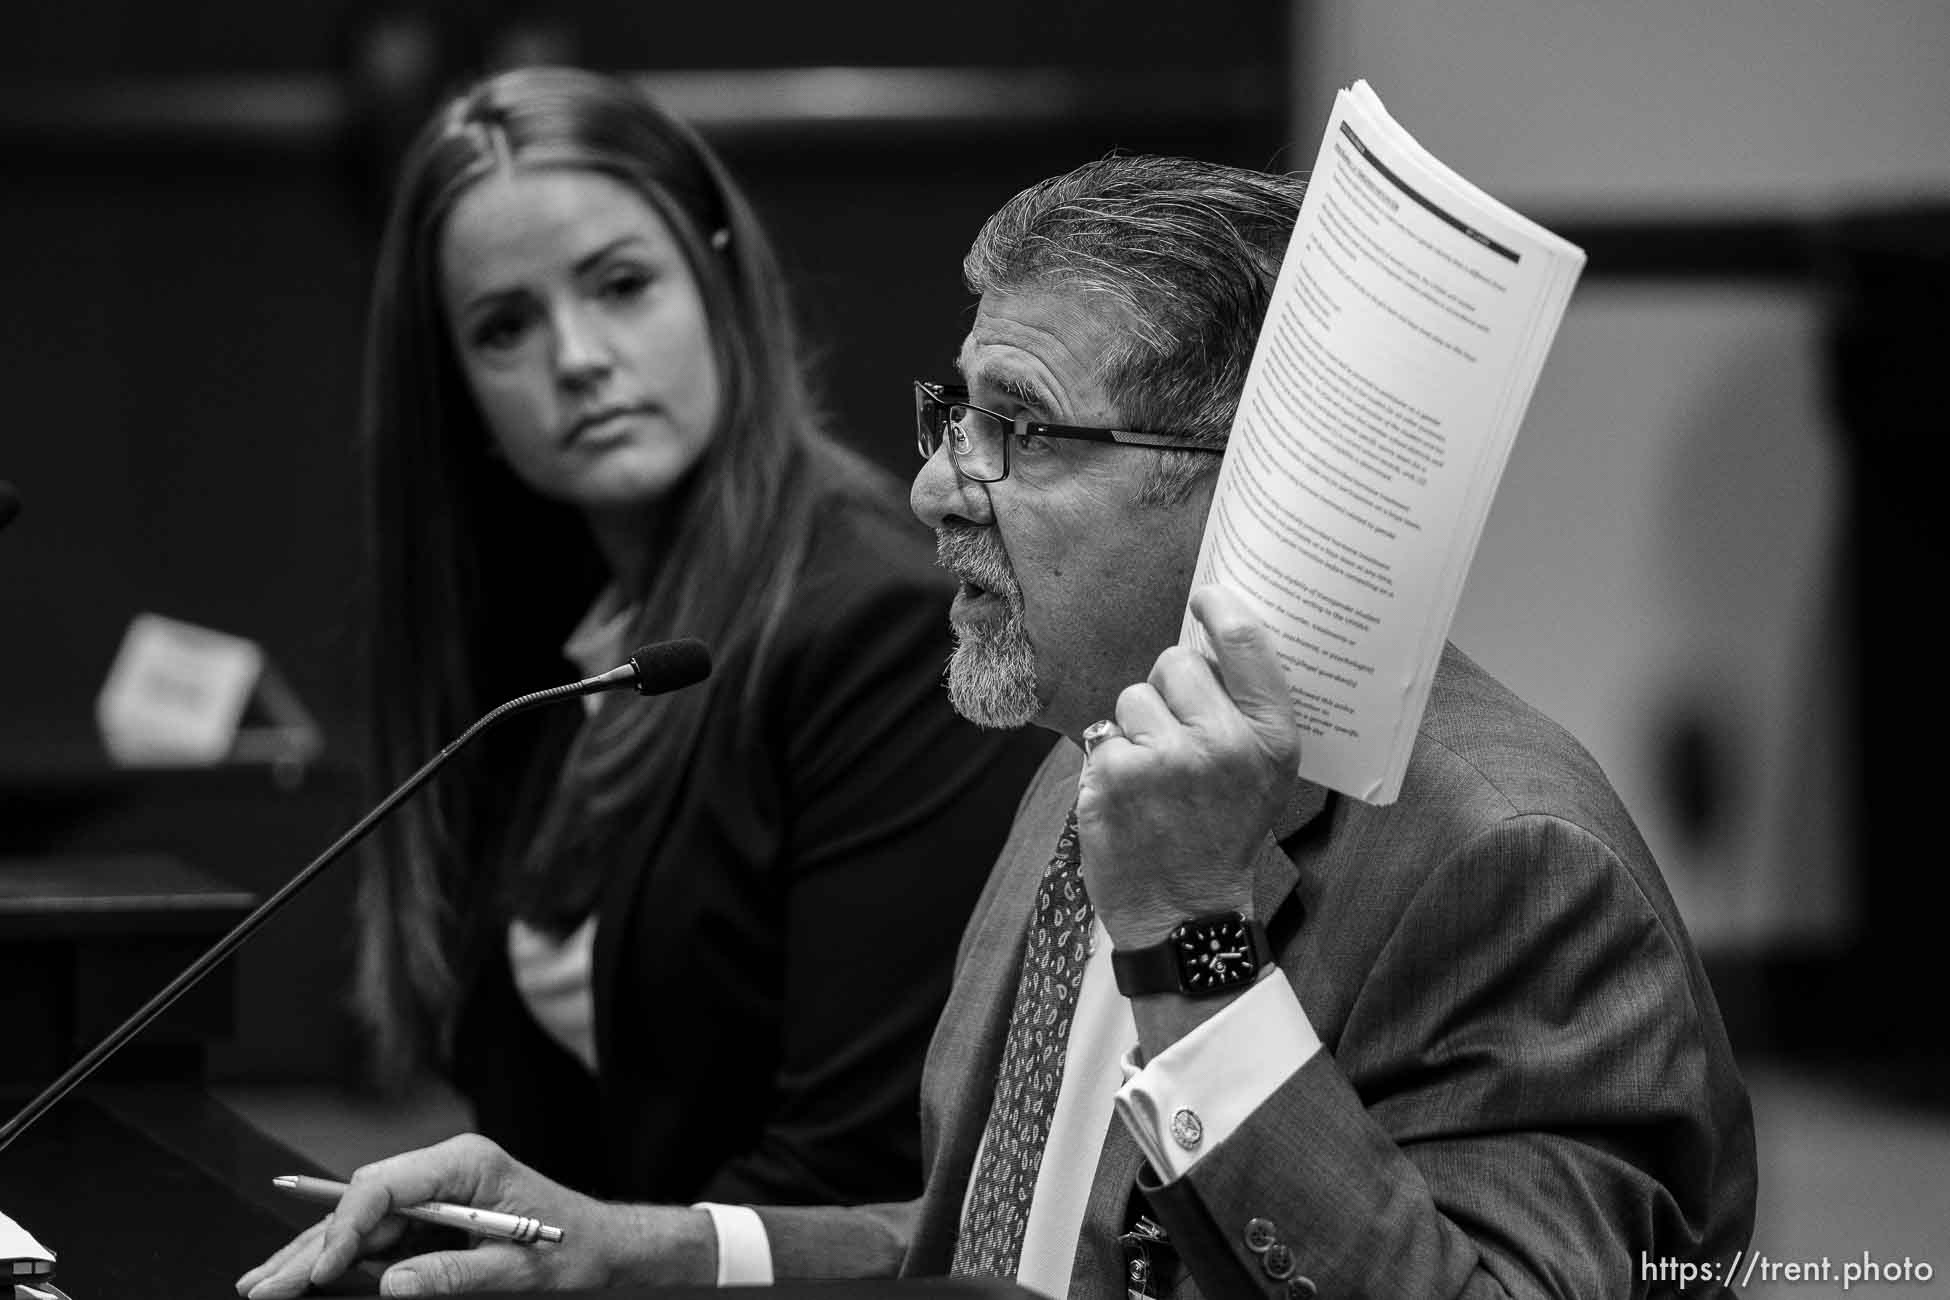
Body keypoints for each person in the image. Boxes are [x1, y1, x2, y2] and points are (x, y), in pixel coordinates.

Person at [241, 155, 1757, 1300]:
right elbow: (1017, 1242)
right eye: (948, 416)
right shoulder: (1085, 743)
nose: (931, 489)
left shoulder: (1505, 861)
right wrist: (634, 1247)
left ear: (1254, 486)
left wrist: (1198, 958)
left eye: (1014, 431)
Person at [340, 65, 1053, 1213]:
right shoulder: (528, 649)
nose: (576, 356)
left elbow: (868, 1171)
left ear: (720, 280)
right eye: (505, 325)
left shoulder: (879, 623)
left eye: (621, 285)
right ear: (456, 387)